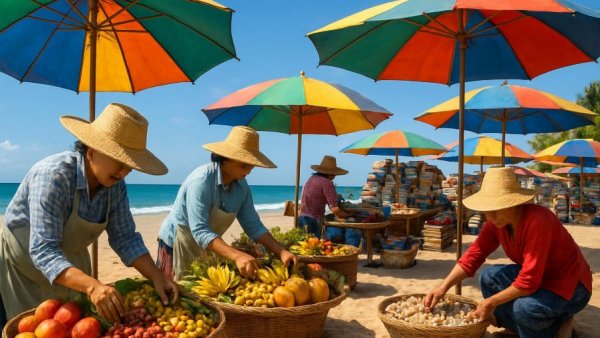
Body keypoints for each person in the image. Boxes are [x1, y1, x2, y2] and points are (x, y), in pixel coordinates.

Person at [0, 103, 179, 328]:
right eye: (120, 162)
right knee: (28, 328)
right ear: (92, 151)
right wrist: (93, 286)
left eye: (130, 166)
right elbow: (43, 250)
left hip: (72, 266)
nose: (124, 172)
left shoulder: (116, 186)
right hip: (23, 266)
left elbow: (125, 238)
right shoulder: (54, 176)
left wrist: (156, 277)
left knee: (72, 328)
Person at [424, 167, 592, 338]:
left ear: (514, 203)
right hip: (538, 277)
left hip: (570, 285)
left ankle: (557, 324)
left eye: (496, 209)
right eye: (487, 210)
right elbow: (473, 256)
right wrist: (442, 287)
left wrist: (490, 302)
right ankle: (530, 328)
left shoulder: (539, 221)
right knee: (488, 277)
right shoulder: (496, 223)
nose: (490, 216)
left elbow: (528, 282)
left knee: (524, 308)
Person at [157, 126, 297, 280]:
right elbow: (200, 230)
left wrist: (281, 251)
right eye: (244, 165)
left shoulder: (242, 187)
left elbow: (254, 226)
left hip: (208, 244)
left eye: (252, 165)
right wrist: (237, 255)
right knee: (177, 293)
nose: (249, 170)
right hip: (177, 243)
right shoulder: (202, 181)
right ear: (224, 160)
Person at [299, 155, 359, 245]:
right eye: (334, 173)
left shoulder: (311, 179)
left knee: (306, 248)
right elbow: (335, 210)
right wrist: (350, 214)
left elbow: (317, 195)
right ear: (330, 173)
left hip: (302, 217)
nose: (335, 176)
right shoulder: (327, 183)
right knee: (314, 247)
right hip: (313, 220)